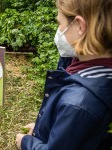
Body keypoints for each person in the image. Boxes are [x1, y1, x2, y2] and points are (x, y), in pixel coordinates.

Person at [16, 0, 112, 149]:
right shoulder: (85, 67)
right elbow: (72, 133)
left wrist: (26, 142)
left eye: (59, 23)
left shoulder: (79, 104)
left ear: (80, 26)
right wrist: (43, 128)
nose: (58, 30)